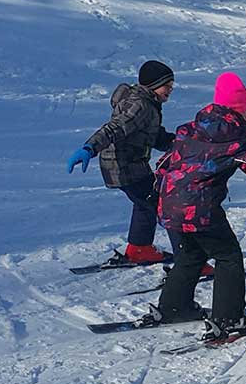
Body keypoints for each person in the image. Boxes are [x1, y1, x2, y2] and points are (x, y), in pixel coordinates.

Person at [154, 72, 246, 334]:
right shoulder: (233, 137)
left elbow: (165, 163)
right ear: (242, 107)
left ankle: (174, 307)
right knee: (228, 257)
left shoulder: (192, 127)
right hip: (199, 209)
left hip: (168, 202)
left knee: (191, 254)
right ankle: (228, 318)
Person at [66, 60, 184, 266]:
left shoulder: (147, 103)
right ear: (154, 84)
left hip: (128, 165)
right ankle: (190, 260)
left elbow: (154, 136)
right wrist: (89, 148)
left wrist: (183, 144)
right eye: (168, 85)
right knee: (163, 206)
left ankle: (140, 248)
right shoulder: (140, 105)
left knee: (146, 203)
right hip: (124, 167)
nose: (171, 90)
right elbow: (113, 129)